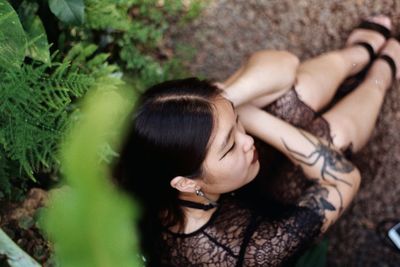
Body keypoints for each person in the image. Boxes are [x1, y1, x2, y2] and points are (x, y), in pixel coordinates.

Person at [112, 16, 400, 266]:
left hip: (230, 183)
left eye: (238, 126)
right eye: (229, 146)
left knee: (297, 92)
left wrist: (231, 101)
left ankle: (358, 54)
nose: (246, 141)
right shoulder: (246, 252)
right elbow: (345, 179)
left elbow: (285, 65)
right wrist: (252, 118)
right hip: (266, 210)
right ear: (186, 182)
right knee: (334, 137)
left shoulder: (158, 158)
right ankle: (380, 75)